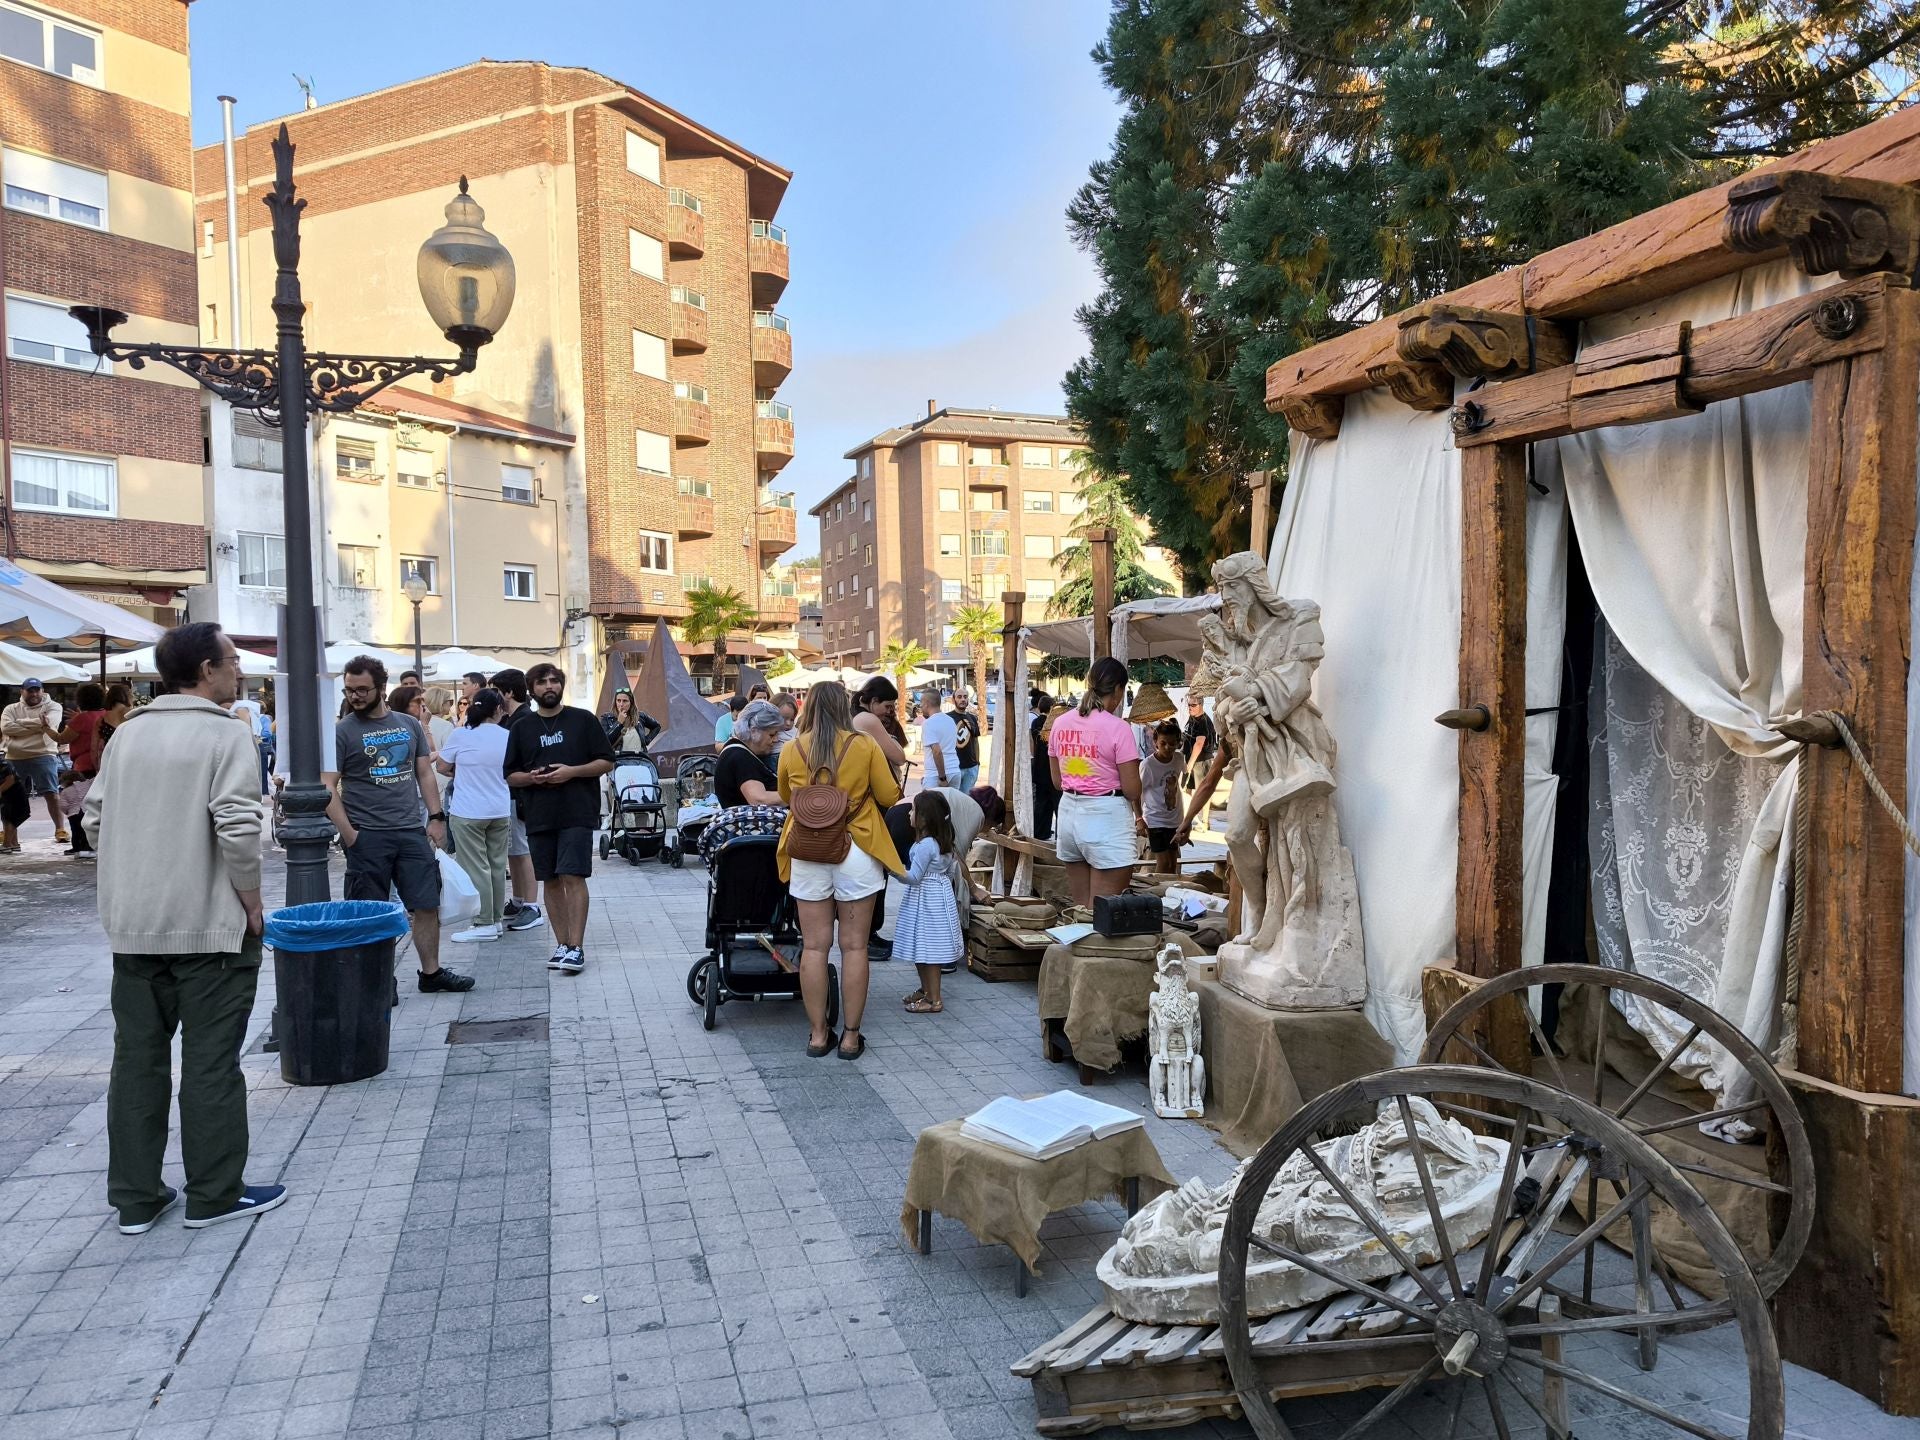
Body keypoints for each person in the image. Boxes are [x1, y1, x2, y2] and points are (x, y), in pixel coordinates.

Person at [82, 622, 286, 1232]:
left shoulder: (129, 734)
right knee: (210, 1063)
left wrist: (134, 871)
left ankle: (136, 1198)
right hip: (208, 927)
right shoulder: (225, 734)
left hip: (134, 926)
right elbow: (238, 827)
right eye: (231, 660)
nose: (239, 670)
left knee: (136, 1063)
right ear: (205, 670)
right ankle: (214, 1193)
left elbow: (94, 819)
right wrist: (252, 903)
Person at [324, 655, 474, 994]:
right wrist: (350, 835)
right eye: (349, 690)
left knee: (426, 903)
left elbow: (424, 773)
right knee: (372, 913)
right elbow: (328, 786)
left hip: (409, 831)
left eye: (362, 689)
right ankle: (378, 983)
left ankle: (431, 974)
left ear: (381, 687)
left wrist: (436, 818)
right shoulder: (342, 732)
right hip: (367, 836)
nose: (355, 696)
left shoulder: (408, 725)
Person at [776, 681, 903, 1060]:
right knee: (855, 946)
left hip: (808, 851)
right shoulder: (864, 745)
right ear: (844, 709)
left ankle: (818, 1036)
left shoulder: (792, 748)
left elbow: (787, 797)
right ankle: (850, 1038)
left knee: (814, 947)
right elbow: (889, 795)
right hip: (856, 848)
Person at [503, 662, 616, 974]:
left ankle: (576, 947)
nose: (549, 686)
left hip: (577, 811)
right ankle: (562, 944)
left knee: (573, 875)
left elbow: (607, 761)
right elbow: (510, 775)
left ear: (562, 685)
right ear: (532, 690)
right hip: (538, 814)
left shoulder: (583, 720)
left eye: (554, 680)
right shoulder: (521, 727)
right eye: (542, 682)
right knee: (550, 880)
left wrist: (572, 772)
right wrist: (533, 778)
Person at [1048, 656, 1143, 908]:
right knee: (1104, 913)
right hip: (1106, 820)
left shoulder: (1060, 723)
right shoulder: (1118, 728)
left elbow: (1057, 781)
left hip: (1069, 816)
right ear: (1119, 690)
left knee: (1081, 910)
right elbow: (1132, 790)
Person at [437, 688, 512, 942]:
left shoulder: (461, 734)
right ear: (498, 709)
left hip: (468, 810)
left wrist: (462, 772)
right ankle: (496, 919)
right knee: (497, 866)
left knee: (476, 867)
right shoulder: (507, 736)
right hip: (500, 809)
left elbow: (442, 765)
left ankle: (483, 921)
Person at [896, 790, 963, 1016]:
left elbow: (914, 877)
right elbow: (949, 872)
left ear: (925, 818)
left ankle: (934, 1000)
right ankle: (926, 990)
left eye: (913, 810)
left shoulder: (926, 845)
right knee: (923, 948)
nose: (909, 813)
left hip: (925, 901)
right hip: (936, 897)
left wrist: (892, 869)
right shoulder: (942, 842)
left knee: (929, 952)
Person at [489, 668, 544, 932]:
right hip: (510, 794)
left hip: (520, 795)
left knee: (522, 851)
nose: (494, 697)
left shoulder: (523, 720)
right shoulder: (512, 719)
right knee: (514, 850)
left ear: (509, 692)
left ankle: (532, 906)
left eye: (496, 691)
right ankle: (519, 899)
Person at [3, 678, 66, 842]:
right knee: (9, 797)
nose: (34, 693)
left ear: (42, 691)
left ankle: (60, 830)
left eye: (37, 690)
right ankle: (9, 835)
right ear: (22, 691)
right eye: (30, 690)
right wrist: (40, 726)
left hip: (44, 754)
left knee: (51, 793)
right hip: (15, 756)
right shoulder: (11, 708)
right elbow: (6, 728)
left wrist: (20, 723)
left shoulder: (53, 706)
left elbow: (51, 724)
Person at [53, 683, 107, 854]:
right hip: (101, 766)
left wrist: (45, 727)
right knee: (97, 807)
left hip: (82, 768)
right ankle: (94, 842)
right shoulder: (105, 715)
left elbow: (61, 738)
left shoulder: (81, 719)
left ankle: (81, 843)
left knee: (77, 808)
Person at [716, 700, 783, 807]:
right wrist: (797, 795)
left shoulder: (735, 751)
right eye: (772, 735)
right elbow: (759, 799)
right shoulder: (741, 758)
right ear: (754, 731)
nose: (776, 739)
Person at [1140, 718, 1186, 874]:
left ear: (1178, 743)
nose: (1167, 747)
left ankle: (1170, 888)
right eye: (1163, 743)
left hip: (1175, 819)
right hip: (1155, 820)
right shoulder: (1148, 765)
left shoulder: (1179, 758)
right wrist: (1139, 819)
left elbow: (1179, 782)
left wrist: (1186, 821)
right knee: (1163, 863)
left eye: (1172, 744)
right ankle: (1159, 889)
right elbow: (1137, 792)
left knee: (1173, 863)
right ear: (1155, 743)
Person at [1029, 689, 1061, 842]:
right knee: (1058, 804)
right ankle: (1060, 834)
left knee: (1042, 803)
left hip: (1039, 767)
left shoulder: (1035, 722)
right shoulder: (1054, 723)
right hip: (1052, 769)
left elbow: (1033, 745)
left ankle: (1041, 832)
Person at [916, 688, 961, 791]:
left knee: (931, 802)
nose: (920, 706)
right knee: (952, 801)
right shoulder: (950, 720)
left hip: (937, 774)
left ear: (927, 704)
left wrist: (942, 778)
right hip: (954, 771)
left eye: (921, 703)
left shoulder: (928, 723)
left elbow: (937, 751)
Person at [602, 689, 662, 754]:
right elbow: (605, 742)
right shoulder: (607, 718)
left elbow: (657, 726)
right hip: (620, 758)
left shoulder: (640, 716)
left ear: (631, 702)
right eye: (618, 700)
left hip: (640, 758)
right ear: (615, 702)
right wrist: (618, 723)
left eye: (625, 701)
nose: (621, 704)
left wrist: (646, 740)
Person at [949, 690, 982, 793]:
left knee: (967, 799)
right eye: (959, 697)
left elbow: (975, 741)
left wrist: (977, 763)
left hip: (971, 768)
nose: (963, 699)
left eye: (965, 697)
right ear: (953, 700)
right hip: (955, 768)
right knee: (954, 799)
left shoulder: (972, 718)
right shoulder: (948, 718)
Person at [0, 754, 29, 852]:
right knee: (6, 818)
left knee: (11, 820)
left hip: (15, 793)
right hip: (7, 795)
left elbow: (10, 780)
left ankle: (7, 844)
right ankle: (14, 843)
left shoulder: (3, 763)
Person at [424, 687, 458, 752]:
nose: (451, 705)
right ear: (442, 703)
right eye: (451, 702)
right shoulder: (447, 726)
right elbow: (450, 753)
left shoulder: (418, 723)